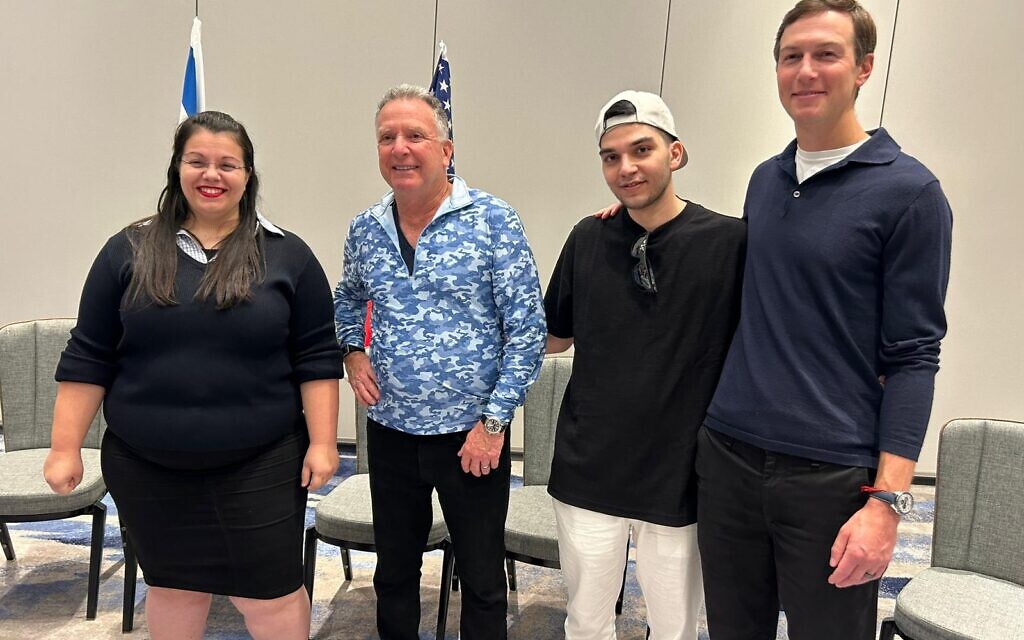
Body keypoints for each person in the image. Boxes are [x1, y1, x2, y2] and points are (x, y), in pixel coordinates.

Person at [696, 1, 953, 638]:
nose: (805, 71)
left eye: (826, 54)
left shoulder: (910, 194)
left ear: (864, 67)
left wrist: (886, 503)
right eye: (791, 57)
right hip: (728, 457)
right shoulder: (765, 179)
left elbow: (915, 356)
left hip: (829, 476)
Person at [43, 111, 342, 640]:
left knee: (268, 594)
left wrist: (323, 444)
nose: (212, 174)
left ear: (248, 175)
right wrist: (64, 447)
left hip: (262, 465)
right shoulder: (127, 250)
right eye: (197, 161)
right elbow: (89, 355)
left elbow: (316, 359)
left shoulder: (288, 256)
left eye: (228, 164)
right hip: (147, 468)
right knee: (173, 587)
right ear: (176, 168)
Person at [333, 84, 546, 640]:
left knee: (480, 580)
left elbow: (527, 333)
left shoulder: (494, 221)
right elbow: (348, 298)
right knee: (395, 574)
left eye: (415, 135)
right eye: (387, 137)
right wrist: (353, 351)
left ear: (446, 150)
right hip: (392, 434)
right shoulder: (366, 229)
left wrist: (494, 424)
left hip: (472, 439)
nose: (400, 148)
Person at [546, 91, 745, 640]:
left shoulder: (730, 243)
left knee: (675, 625)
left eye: (641, 150)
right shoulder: (589, 238)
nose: (626, 167)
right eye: (611, 156)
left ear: (675, 154)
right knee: (586, 620)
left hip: (679, 471)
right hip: (591, 465)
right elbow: (552, 337)